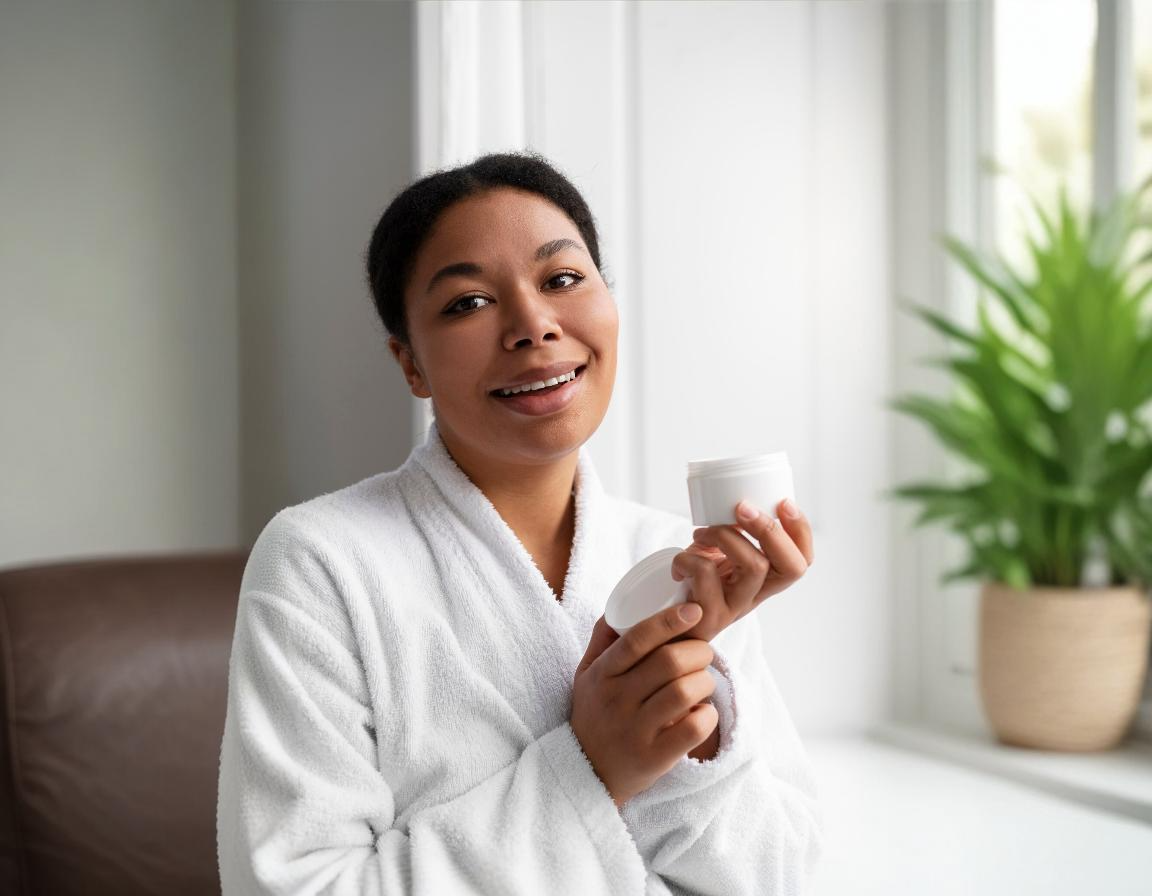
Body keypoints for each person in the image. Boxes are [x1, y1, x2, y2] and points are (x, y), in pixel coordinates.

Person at [216, 151, 824, 894]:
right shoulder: (319, 561)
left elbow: (785, 875)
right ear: (410, 364)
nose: (533, 325)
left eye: (563, 279)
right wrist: (595, 766)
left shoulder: (679, 565)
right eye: (468, 302)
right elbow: (296, 885)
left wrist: (685, 742)